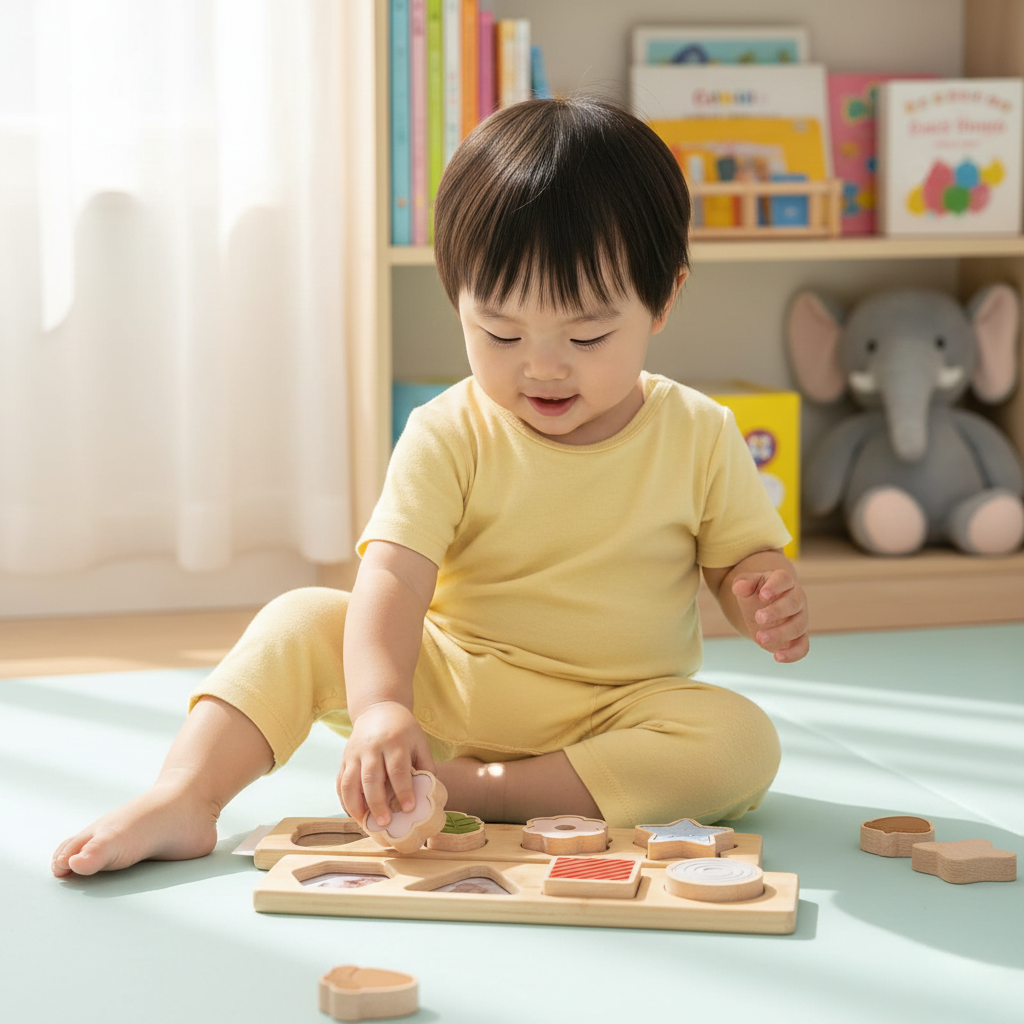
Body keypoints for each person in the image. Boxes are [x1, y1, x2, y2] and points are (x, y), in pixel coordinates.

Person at [52, 97, 809, 879]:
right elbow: (394, 577)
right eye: (501, 334)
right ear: (458, 300)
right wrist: (382, 707)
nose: (543, 366)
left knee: (741, 740)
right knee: (303, 617)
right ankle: (187, 794)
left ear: (665, 298)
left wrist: (762, 591)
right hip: (450, 689)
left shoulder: (701, 431)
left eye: (587, 336)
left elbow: (737, 561)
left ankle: (480, 790)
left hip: (612, 713)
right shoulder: (448, 430)